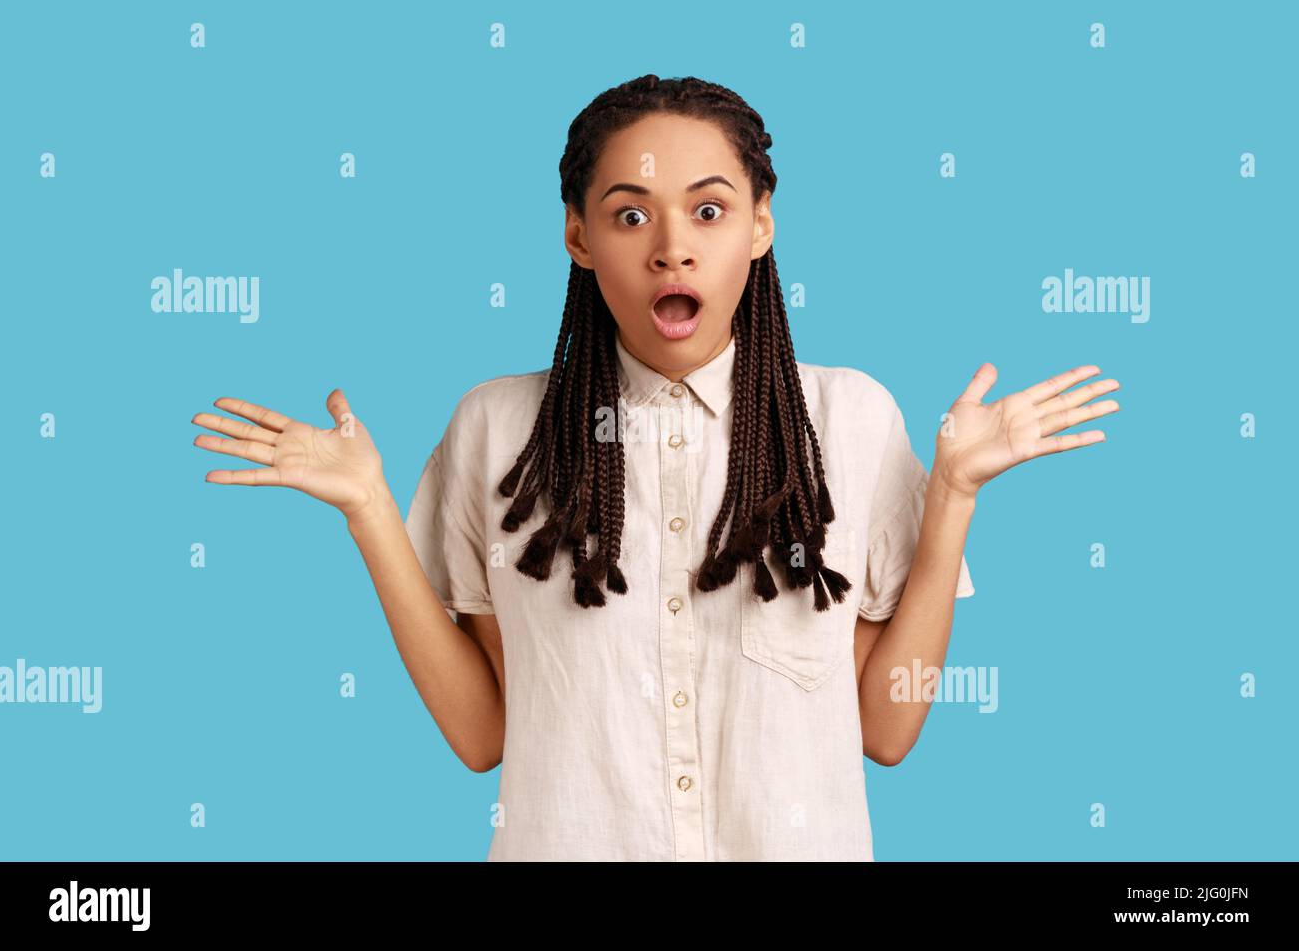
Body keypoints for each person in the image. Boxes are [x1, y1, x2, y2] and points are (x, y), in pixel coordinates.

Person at [190, 74, 1121, 861]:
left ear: (760, 226)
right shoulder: (493, 428)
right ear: (578, 238)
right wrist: (368, 510)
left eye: (708, 210)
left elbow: (886, 730)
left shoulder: (851, 420)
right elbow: (482, 737)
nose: (672, 245)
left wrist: (954, 494)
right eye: (630, 214)